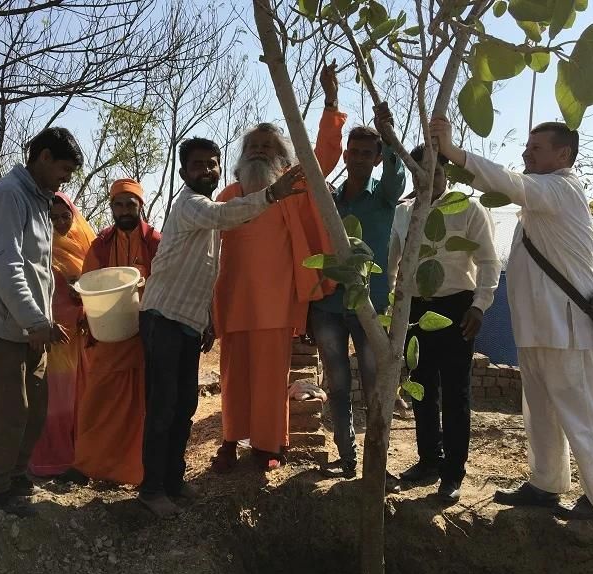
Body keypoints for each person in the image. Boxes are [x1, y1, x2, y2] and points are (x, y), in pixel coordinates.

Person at [431, 116, 593, 519]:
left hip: (569, 331)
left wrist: (454, 153)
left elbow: (509, 183)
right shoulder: (540, 203)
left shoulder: (561, 188)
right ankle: (545, 484)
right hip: (540, 331)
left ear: (562, 154)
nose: (525, 154)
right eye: (527, 147)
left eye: (535, 148)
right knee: (540, 413)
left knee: (583, 415)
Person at [139, 137, 306, 517]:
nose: (207, 170)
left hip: (187, 323)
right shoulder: (195, 206)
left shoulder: (214, 207)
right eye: (198, 165)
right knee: (164, 408)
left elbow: (208, 272)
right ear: (183, 173)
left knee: (184, 407)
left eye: (212, 164)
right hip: (162, 319)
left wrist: (208, 319)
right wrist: (272, 195)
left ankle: (173, 481)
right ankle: (151, 489)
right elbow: (227, 216)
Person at [211, 62, 346, 472]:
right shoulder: (226, 195)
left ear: (283, 159)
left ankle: (269, 447)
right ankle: (231, 440)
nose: (258, 151)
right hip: (232, 301)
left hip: (274, 304)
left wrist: (330, 101)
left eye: (267, 147)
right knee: (234, 378)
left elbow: (323, 156)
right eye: (253, 147)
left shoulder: (292, 187)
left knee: (270, 378)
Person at [0, 127, 81, 516]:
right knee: (9, 411)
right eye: (63, 168)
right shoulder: (9, 196)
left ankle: (17, 478)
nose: (66, 178)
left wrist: (42, 321)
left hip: (35, 327)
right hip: (9, 326)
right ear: (44, 157)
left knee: (35, 409)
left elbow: (39, 268)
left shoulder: (39, 198)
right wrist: (35, 320)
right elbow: (6, 265)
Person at [389, 144, 500, 501]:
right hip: (415, 312)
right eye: (420, 171)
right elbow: (393, 263)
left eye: (436, 171)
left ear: (447, 174)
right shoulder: (403, 213)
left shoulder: (468, 209)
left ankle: (453, 473)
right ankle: (429, 460)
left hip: (457, 309)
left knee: (456, 393)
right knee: (421, 389)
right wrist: (395, 310)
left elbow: (488, 262)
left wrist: (480, 306)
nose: (428, 178)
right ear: (411, 172)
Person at [308, 105, 406, 479]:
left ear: (378, 158)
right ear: (345, 154)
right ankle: (347, 457)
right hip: (329, 303)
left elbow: (397, 178)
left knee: (373, 384)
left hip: (370, 304)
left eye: (369, 152)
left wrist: (389, 132)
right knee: (337, 383)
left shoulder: (383, 197)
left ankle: (377, 465)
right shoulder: (329, 200)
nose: (360, 158)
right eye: (354, 151)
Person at [64, 178, 161, 486]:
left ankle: (131, 472)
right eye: (118, 205)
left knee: (139, 408)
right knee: (97, 402)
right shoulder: (101, 244)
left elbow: (166, 282)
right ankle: (86, 466)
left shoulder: (156, 242)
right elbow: (88, 284)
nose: (123, 211)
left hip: (145, 337)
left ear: (140, 206)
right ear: (112, 208)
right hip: (107, 337)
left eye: (129, 205)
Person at [28, 192, 95, 477]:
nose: (59, 222)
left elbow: (98, 280)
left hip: (83, 331)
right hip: (53, 334)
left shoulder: (86, 243)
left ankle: (83, 455)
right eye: (52, 217)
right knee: (56, 397)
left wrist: (84, 295)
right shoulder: (37, 248)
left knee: (83, 395)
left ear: (74, 215)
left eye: (64, 216)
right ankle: (53, 459)